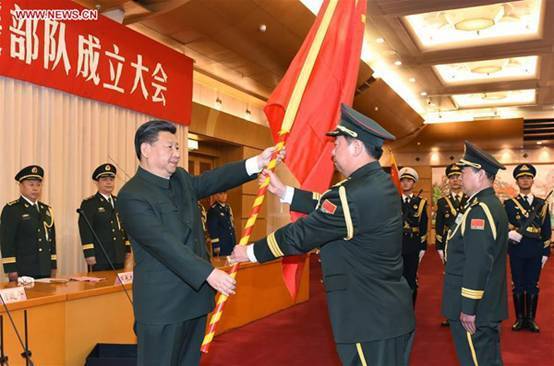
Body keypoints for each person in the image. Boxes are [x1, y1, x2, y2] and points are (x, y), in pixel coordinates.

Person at [232, 104, 415, 366]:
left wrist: (250, 252)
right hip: (388, 313)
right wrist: (286, 192)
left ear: (355, 146)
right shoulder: (378, 183)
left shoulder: (353, 194)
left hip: (367, 320)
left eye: (337, 144)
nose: (332, 152)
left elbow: (300, 235)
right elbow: (329, 205)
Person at [117, 120, 280, 366]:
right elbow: (163, 245)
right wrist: (208, 273)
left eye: (178, 147)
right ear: (146, 150)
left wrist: (257, 163)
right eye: (170, 147)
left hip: (194, 300)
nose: (177, 154)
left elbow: (213, 180)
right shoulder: (132, 195)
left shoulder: (181, 179)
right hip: (163, 307)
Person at [442, 141, 508, 366]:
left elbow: (478, 262)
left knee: (477, 361)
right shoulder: (483, 205)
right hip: (485, 305)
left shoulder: (481, 209)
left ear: (480, 174)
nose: (460, 176)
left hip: (476, 309)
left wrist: (468, 308)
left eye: (464, 171)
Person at [504, 163, 550, 332]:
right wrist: (510, 234)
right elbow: (503, 226)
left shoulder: (542, 204)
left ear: (532, 180)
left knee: (533, 284)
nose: (525, 180)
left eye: (528, 177)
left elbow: (546, 229)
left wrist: (546, 252)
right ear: (517, 181)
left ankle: (530, 319)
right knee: (518, 284)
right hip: (517, 250)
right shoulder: (509, 204)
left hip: (536, 250)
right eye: (522, 177)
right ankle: (519, 319)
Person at [1, 165, 56, 281]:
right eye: (31, 184)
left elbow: (51, 241)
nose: (35, 188)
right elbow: (7, 242)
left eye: (38, 184)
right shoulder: (12, 209)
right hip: (23, 269)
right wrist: (11, 268)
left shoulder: (46, 209)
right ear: (21, 186)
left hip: (44, 268)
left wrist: (53, 265)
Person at [78, 163, 131, 271]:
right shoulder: (89, 204)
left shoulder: (119, 202)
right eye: (104, 179)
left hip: (118, 254)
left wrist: (127, 249)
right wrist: (89, 253)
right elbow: (85, 230)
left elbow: (124, 228)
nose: (108, 182)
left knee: (118, 286)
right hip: (100, 256)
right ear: (97, 182)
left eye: (111, 179)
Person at [435, 163, 468, 326]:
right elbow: (439, 226)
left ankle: (466, 311)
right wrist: (440, 248)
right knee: (451, 281)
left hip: (468, 245)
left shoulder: (470, 200)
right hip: (450, 247)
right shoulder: (442, 202)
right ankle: (451, 313)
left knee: (467, 279)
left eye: (458, 177)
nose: (455, 180)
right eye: (452, 177)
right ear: (449, 180)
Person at [399, 167, 427, 307]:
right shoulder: (394, 201)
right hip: (397, 246)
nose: (405, 183)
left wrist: (422, 247)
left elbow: (423, 226)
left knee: (411, 279)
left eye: (409, 180)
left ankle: (410, 308)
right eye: (403, 180)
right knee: (397, 278)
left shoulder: (421, 203)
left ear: (414, 183)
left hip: (413, 246)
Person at [207, 191, 237, 256]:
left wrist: (234, 242)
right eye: (221, 193)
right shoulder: (213, 210)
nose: (223, 196)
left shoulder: (228, 208)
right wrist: (216, 245)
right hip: (221, 246)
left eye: (225, 193)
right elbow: (213, 230)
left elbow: (231, 226)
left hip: (230, 243)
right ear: (216, 195)